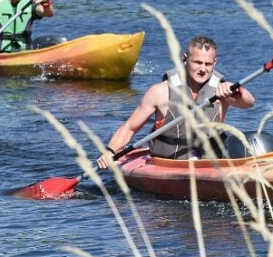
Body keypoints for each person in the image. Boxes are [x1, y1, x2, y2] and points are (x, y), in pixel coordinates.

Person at [97, 36, 255, 167]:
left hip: (208, 163)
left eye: (207, 64)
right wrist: (110, 152)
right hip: (167, 163)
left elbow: (248, 103)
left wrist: (236, 91)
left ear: (215, 63)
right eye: (197, 62)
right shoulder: (160, 92)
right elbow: (130, 127)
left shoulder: (222, 91)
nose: (203, 69)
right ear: (184, 59)